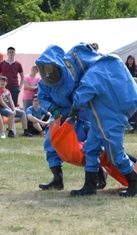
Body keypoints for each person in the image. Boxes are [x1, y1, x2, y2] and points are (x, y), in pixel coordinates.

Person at [65, 42, 137, 197]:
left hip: (108, 119)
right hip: (102, 118)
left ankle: (134, 183)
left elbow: (82, 97)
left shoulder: (92, 75)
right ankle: (90, 186)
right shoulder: (112, 61)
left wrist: (73, 109)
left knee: (115, 154)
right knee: (91, 148)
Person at [36, 44, 91, 191]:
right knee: (51, 142)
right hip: (58, 115)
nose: (47, 71)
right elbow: (42, 98)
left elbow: (82, 92)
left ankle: (97, 175)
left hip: (79, 114)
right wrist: (52, 109)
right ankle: (57, 178)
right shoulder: (44, 81)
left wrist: (75, 108)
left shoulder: (73, 75)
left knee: (87, 144)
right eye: (44, 68)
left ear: (58, 65)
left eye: (50, 67)